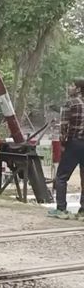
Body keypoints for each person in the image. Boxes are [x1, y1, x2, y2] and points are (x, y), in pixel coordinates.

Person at [49, 79, 84, 219]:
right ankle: (82, 210)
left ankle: (61, 208)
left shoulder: (70, 103)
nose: (69, 87)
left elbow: (64, 126)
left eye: (72, 85)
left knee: (61, 176)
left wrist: (63, 143)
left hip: (74, 143)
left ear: (78, 89)